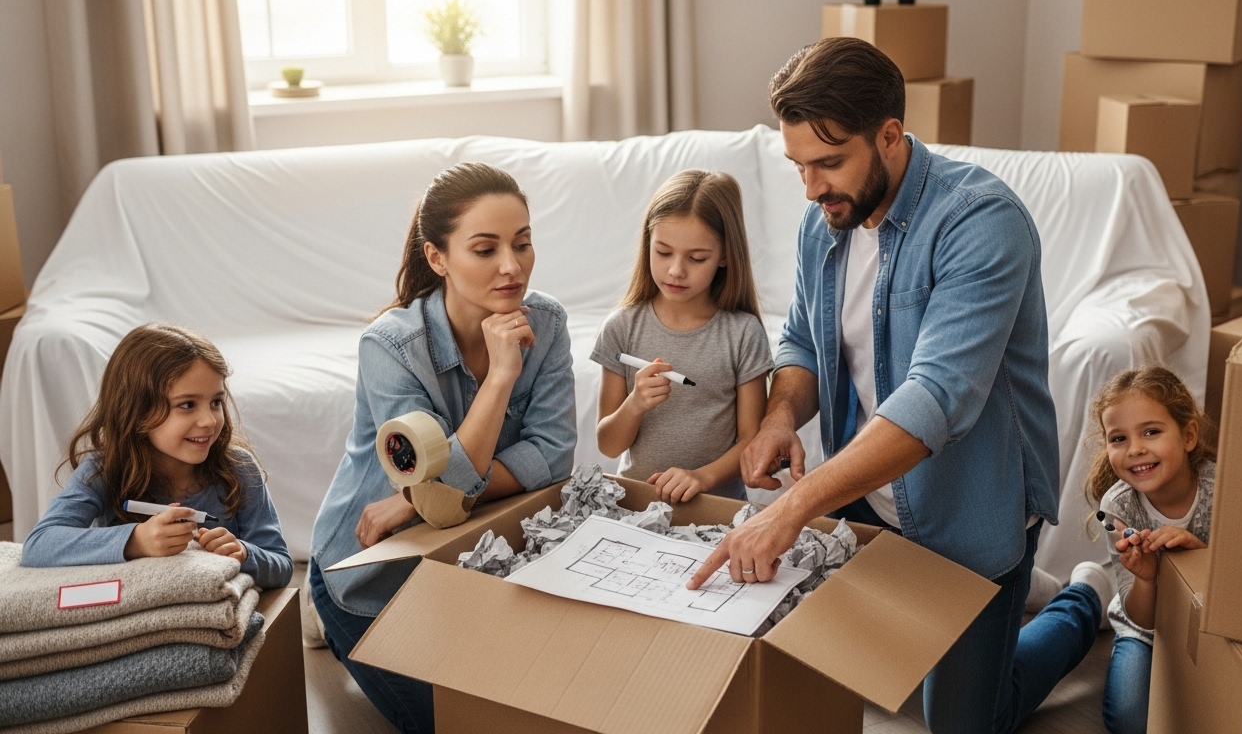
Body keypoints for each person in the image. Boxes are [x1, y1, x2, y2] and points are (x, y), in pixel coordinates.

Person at [687, 37, 1063, 733]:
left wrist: (792, 507)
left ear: (890, 135)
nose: (811, 188)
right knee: (857, 681)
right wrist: (778, 420)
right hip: (866, 500)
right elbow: (802, 341)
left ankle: (1073, 608)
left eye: (829, 163)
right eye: (798, 165)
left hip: (970, 511)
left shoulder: (981, 222)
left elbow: (935, 398)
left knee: (956, 723)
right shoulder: (822, 220)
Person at [308, 162, 576, 734]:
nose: (512, 267)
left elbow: (553, 457)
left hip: (471, 561)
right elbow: (444, 487)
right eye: (485, 249)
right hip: (371, 575)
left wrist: (422, 499)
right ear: (437, 259)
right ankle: (329, 622)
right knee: (455, 724)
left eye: (523, 244)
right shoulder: (391, 346)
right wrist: (501, 376)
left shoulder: (547, 322)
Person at [22, 324, 292, 590]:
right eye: (187, 405)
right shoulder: (103, 471)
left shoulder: (239, 468)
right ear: (136, 410)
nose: (209, 420)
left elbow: (281, 566)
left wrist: (244, 553)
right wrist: (136, 541)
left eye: (216, 402)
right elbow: (39, 545)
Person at [592, 170, 772, 503]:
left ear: (725, 257)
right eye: (663, 252)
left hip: (717, 507)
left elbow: (751, 441)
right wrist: (635, 404)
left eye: (696, 258)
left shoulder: (743, 333)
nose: (676, 270)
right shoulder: (621, 327)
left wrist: (702, 478)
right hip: (634, 504)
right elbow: (609, 444)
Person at [1090, 366, 1215, 733]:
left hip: (1210, 630)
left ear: (1189, 435)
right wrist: (1147, 577)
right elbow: (1142, 620)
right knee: (1129, 719)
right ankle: (1089, 592)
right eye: (1118, 438)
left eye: (1151, 431)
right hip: (1146, 633)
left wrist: (1198, 555)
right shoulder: (1117, 508)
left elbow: (1239, 590)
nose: (1136, 449)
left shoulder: (1220, 489)